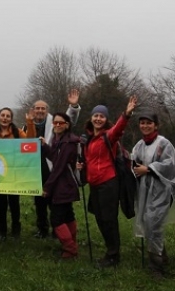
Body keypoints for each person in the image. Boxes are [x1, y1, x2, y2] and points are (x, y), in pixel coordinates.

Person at [130, 113, 175, 279]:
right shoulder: (140, 144)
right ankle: (161, 256)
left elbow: (171, 164)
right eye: (142, 123)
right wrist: (134, 167)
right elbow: (134, 161)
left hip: (160, 191)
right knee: (148, 223)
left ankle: (157, 267)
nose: (145, 126)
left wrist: (149, 169)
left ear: (156, 125)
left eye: (149, 123)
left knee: (153, 225)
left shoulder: (163, 143)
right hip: (144, 190)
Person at [77, 96, 137, 268]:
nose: (98, 118)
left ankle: (113, 256)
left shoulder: (108, 136)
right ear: (91, 118)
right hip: (95, 184)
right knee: (100, 219)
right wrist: (81, 166)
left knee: (109, 220)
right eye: (95, 115)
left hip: (109, 183)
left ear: (106, 119)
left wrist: (126, 114)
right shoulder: (88, 139)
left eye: (102, 116)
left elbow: (119, 129)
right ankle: (110, 251)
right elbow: (89, 160)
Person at [28, 92, 81, 239]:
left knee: (55, 202)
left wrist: (74, 106)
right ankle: (42, 228)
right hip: (35, 170)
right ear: (33, 110)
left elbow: (68, 118)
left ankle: (56, 232)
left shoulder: (54, 123)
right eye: (37, 108)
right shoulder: (27, 125)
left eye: (43, 108)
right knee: (39, 202)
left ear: (47, 111)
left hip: (52, 168)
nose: (40, 111)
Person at [0, 107, 36, 241]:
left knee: (14, 203)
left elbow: (30, 142)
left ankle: (16, 230)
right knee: (1, 204)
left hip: (15, 172)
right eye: (2, 115)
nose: (5, 118)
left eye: (7, 116)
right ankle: (2, 231)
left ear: (11, 119)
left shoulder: (17, 132)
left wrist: (30, 123)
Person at [41, 112, 82, 259]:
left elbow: (58, 166)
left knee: (57, 219)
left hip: (64, 185)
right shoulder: (60, 140)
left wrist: (47, 188)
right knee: (68, 215)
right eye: (55, 123)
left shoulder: (68, 142)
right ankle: (72, 245)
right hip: (65, 185)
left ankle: (70, 250)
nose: (57, 125)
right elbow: (54, 157)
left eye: (61, 123)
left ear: (67, 125)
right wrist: (45, 146)